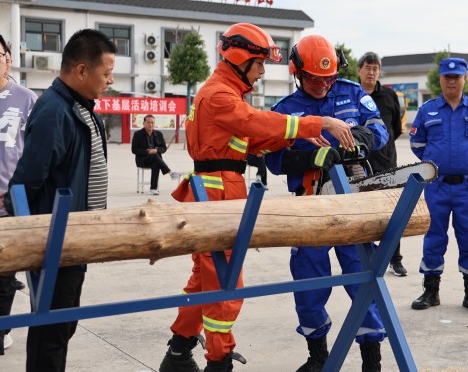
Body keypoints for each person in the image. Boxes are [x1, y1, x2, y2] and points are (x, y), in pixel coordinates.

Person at [159, 24, 355, 372]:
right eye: (259, 63)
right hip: (218, 194)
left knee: (205, 279)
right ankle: (218, 361)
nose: (263, 71)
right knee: (226, 282)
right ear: (241, 58)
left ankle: (178, 351)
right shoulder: (220, 95)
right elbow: (253, 124)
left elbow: (250, 142)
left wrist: (296, 139)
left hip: (219, 189)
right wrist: (314, 124)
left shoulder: (224, 92)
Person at [265, 35, 388, 372]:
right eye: (314, 80)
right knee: (308, 283)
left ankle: (371, 360)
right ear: (298, 73)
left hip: (355, 205)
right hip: (310, 206)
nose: (322, 86)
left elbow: (380, 130)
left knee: (363, 278)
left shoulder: (351, 92)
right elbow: (273, 161)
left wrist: (360, 138)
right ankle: (318, 356)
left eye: (328, 79)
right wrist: (310, 156)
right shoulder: (285, 109)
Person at [3, 28, 116, 372]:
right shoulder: (54, 110)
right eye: (106, 73)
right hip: (55, 242)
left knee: (62, 326)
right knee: (51, 331)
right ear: (82, 70)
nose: (109, 81)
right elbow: (28, 178)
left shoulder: (81, 108)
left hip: (74, 239)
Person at [409, 57, 468, 315]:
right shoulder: (428, 110)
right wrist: (437, 164)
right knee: (434, 237)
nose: (452, 81)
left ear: (465, 79)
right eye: (447, 77)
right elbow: (417, 145)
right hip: (437, 187)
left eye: (457, 77)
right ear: (441, 79)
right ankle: (431, 291)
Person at [0, 28, 38, 372]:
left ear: (9, 60)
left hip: (5, 210)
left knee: (0, 284)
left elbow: (36, 153)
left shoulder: (27, 100)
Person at [357, 51, 406, 276]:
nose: (371, 72)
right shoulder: (352, 95)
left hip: (387, 163)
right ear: (359, 70)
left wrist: (381, 147)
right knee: (363, 215)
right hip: (358, 166)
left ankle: (395, 259)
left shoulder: (389, 96)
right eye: (367, 67)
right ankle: (367, 259)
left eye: (375, 68)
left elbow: (395, 129)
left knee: (392, 213)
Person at [131, 114, 181, 194]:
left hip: (155, 159)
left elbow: (164, 148)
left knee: (156, 163)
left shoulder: (159, 134)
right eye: (148, 122)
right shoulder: (138, 134)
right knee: (154, 155)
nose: (150, 124)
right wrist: (147, 151)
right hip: (142, 160)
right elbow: (134, 150)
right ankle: (170, 172)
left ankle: (153, 189)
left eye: (152, 123)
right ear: (144, 123)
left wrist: (157, 150)